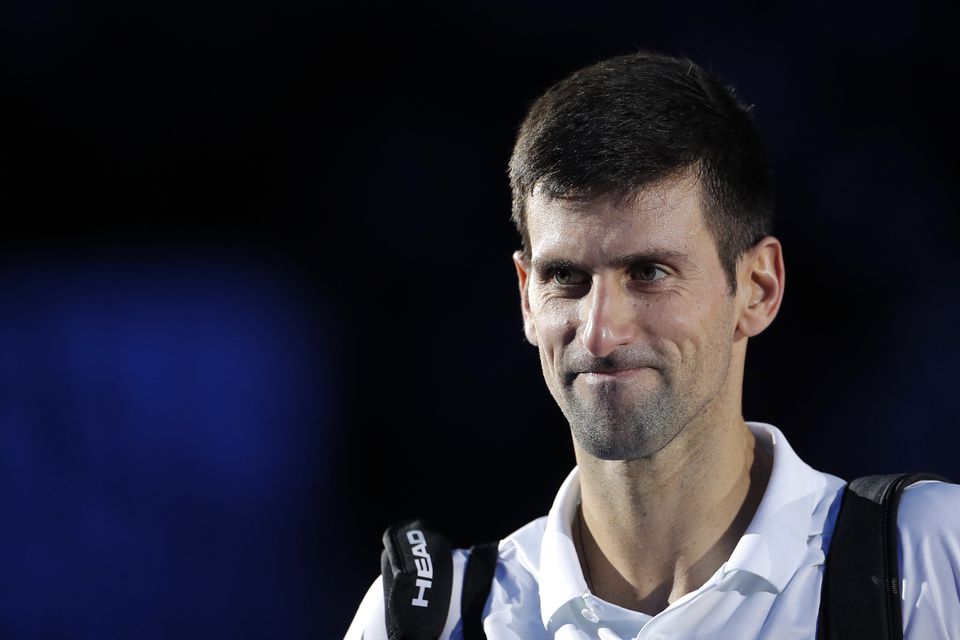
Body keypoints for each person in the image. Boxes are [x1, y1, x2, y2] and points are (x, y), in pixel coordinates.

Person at [345, 51, 960, 639]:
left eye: (649, 273)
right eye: (566, 277)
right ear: (527, 296)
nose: (600, 331)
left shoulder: (931, 560)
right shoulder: (429, 622)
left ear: (758, 288)